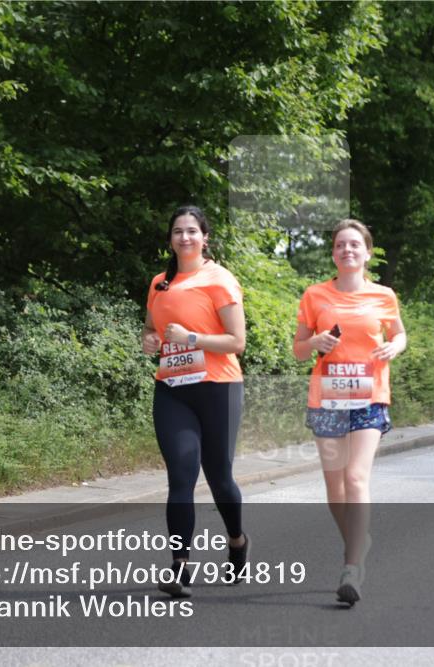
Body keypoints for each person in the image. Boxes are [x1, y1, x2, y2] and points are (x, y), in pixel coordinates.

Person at [293, 219, 406, 606]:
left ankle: (351, 566)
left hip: (370, 396)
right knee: (335, 490)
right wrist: (314, 341)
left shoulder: (384, 296)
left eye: (355, 245)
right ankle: (360, 540)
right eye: (341, 245)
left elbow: (399, 333)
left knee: (356, 478)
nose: (348, 250)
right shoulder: (315, 295)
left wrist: (396, 347)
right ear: (333, 253)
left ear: (367, 252)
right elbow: (298, 350)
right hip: (327, 398)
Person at [142, 205, 248, 598]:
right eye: (177, 232)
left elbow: (237, 342)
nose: (184, 238)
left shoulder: (219, 280)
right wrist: (150, 341)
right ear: (170, 239)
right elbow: (150, 331)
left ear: (205, 238)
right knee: (181, 475)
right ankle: (180, 566)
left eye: (191, 231)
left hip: (218, 387)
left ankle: (237, 540)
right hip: (173, 389)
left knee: (220, 477)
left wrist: (191, 338)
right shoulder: (159, 283)